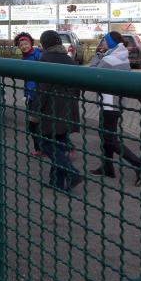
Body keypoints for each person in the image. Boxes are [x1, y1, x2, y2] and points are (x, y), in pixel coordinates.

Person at [89, 31, 141, 184]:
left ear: (111, 43)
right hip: (117, 102)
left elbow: (92, 73)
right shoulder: (122, 56)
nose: (102, 44)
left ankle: (139, 163)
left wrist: (97, 56)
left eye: (104, 41)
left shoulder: (109, 59)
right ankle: (107, 168)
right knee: (106, 136)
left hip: (109, 103)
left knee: (109, 139)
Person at [36, 30, 82, 193]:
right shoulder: (69, 60)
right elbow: (77, 88)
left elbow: (42, 90)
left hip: (52, 110)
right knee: (60, 144)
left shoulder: (45, 59)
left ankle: (72, 173)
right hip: (69, 109)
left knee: (46, 143)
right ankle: (56, 182)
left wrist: (35, 112)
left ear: (44, 44)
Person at [14, 31, 43, 157]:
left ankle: (44, 148)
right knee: (34, 124)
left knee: (34, 123)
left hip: (39, 94)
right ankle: (40, 148)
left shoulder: (38, 54)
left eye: (26, 44)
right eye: (21, 45)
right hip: (30, 95)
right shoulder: (24, 58)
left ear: (31, 43)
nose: (24, 46)